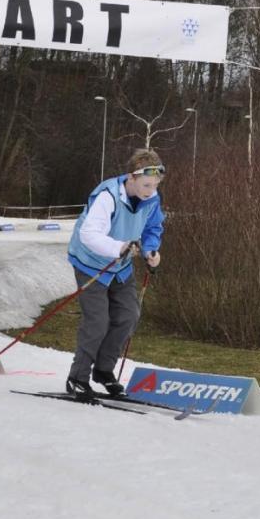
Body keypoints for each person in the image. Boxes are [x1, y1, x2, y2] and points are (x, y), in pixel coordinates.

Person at [65, 148, 165, 398]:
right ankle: (77, 377)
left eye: (155, 185)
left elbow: (153, 228)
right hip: (91, 263)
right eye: (146, 185)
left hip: (120, 266)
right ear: (131, 177)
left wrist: (151, 250)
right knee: (98, 322)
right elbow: (89, 234)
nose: (151, 190)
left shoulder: (152, 199)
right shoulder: (108, 196)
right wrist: (118, 248)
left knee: (128, 315)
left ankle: (103, 370)